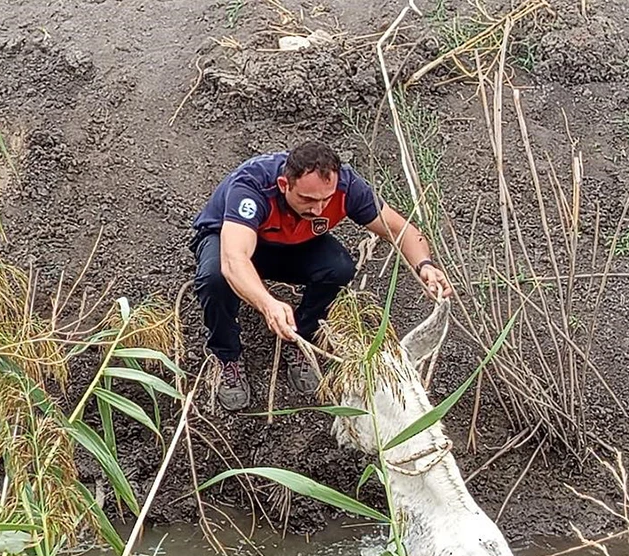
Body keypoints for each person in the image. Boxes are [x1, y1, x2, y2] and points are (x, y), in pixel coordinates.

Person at [189, 140, 454, 411]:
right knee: (216, 279)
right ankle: (226, 357)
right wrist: (267, 303)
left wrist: (425, 266)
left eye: (325, 200)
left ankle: (301, 336)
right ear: (284, 185)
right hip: (231, 240)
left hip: (292, 242)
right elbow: (235, 260)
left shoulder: (347, 187)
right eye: (307, 199)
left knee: (338, 268)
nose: (318, 209)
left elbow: (401, 230)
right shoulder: (252, 185)